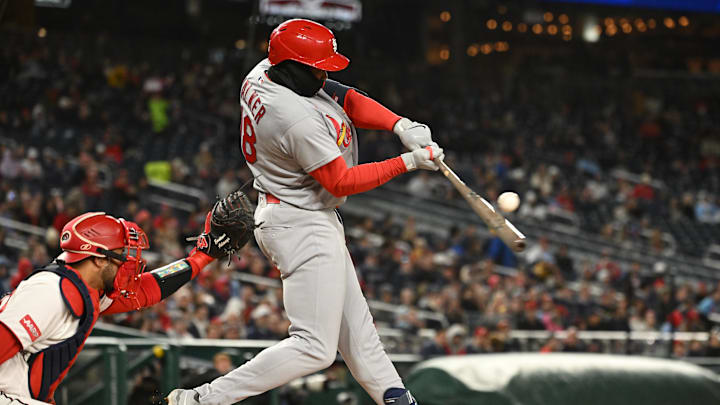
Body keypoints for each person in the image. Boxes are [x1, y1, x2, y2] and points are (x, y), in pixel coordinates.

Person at [168, 18, 442, 405]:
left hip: (299, 212)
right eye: (315, 67)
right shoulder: (293, 117)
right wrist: (409, 162)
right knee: (315, 347)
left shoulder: (267, 70)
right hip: (299, 220)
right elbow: (341, 181)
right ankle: (199, 400)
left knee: (360, 338)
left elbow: (341, 94)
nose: (322, 74)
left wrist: (398, 123)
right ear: (292, 67)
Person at [0, 211, 229, 405]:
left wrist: (201, 258)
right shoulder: (51, 291)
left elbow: (145, 291)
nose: (127, 262)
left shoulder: (84, 287)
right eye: (120, 254)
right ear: (99, 259)